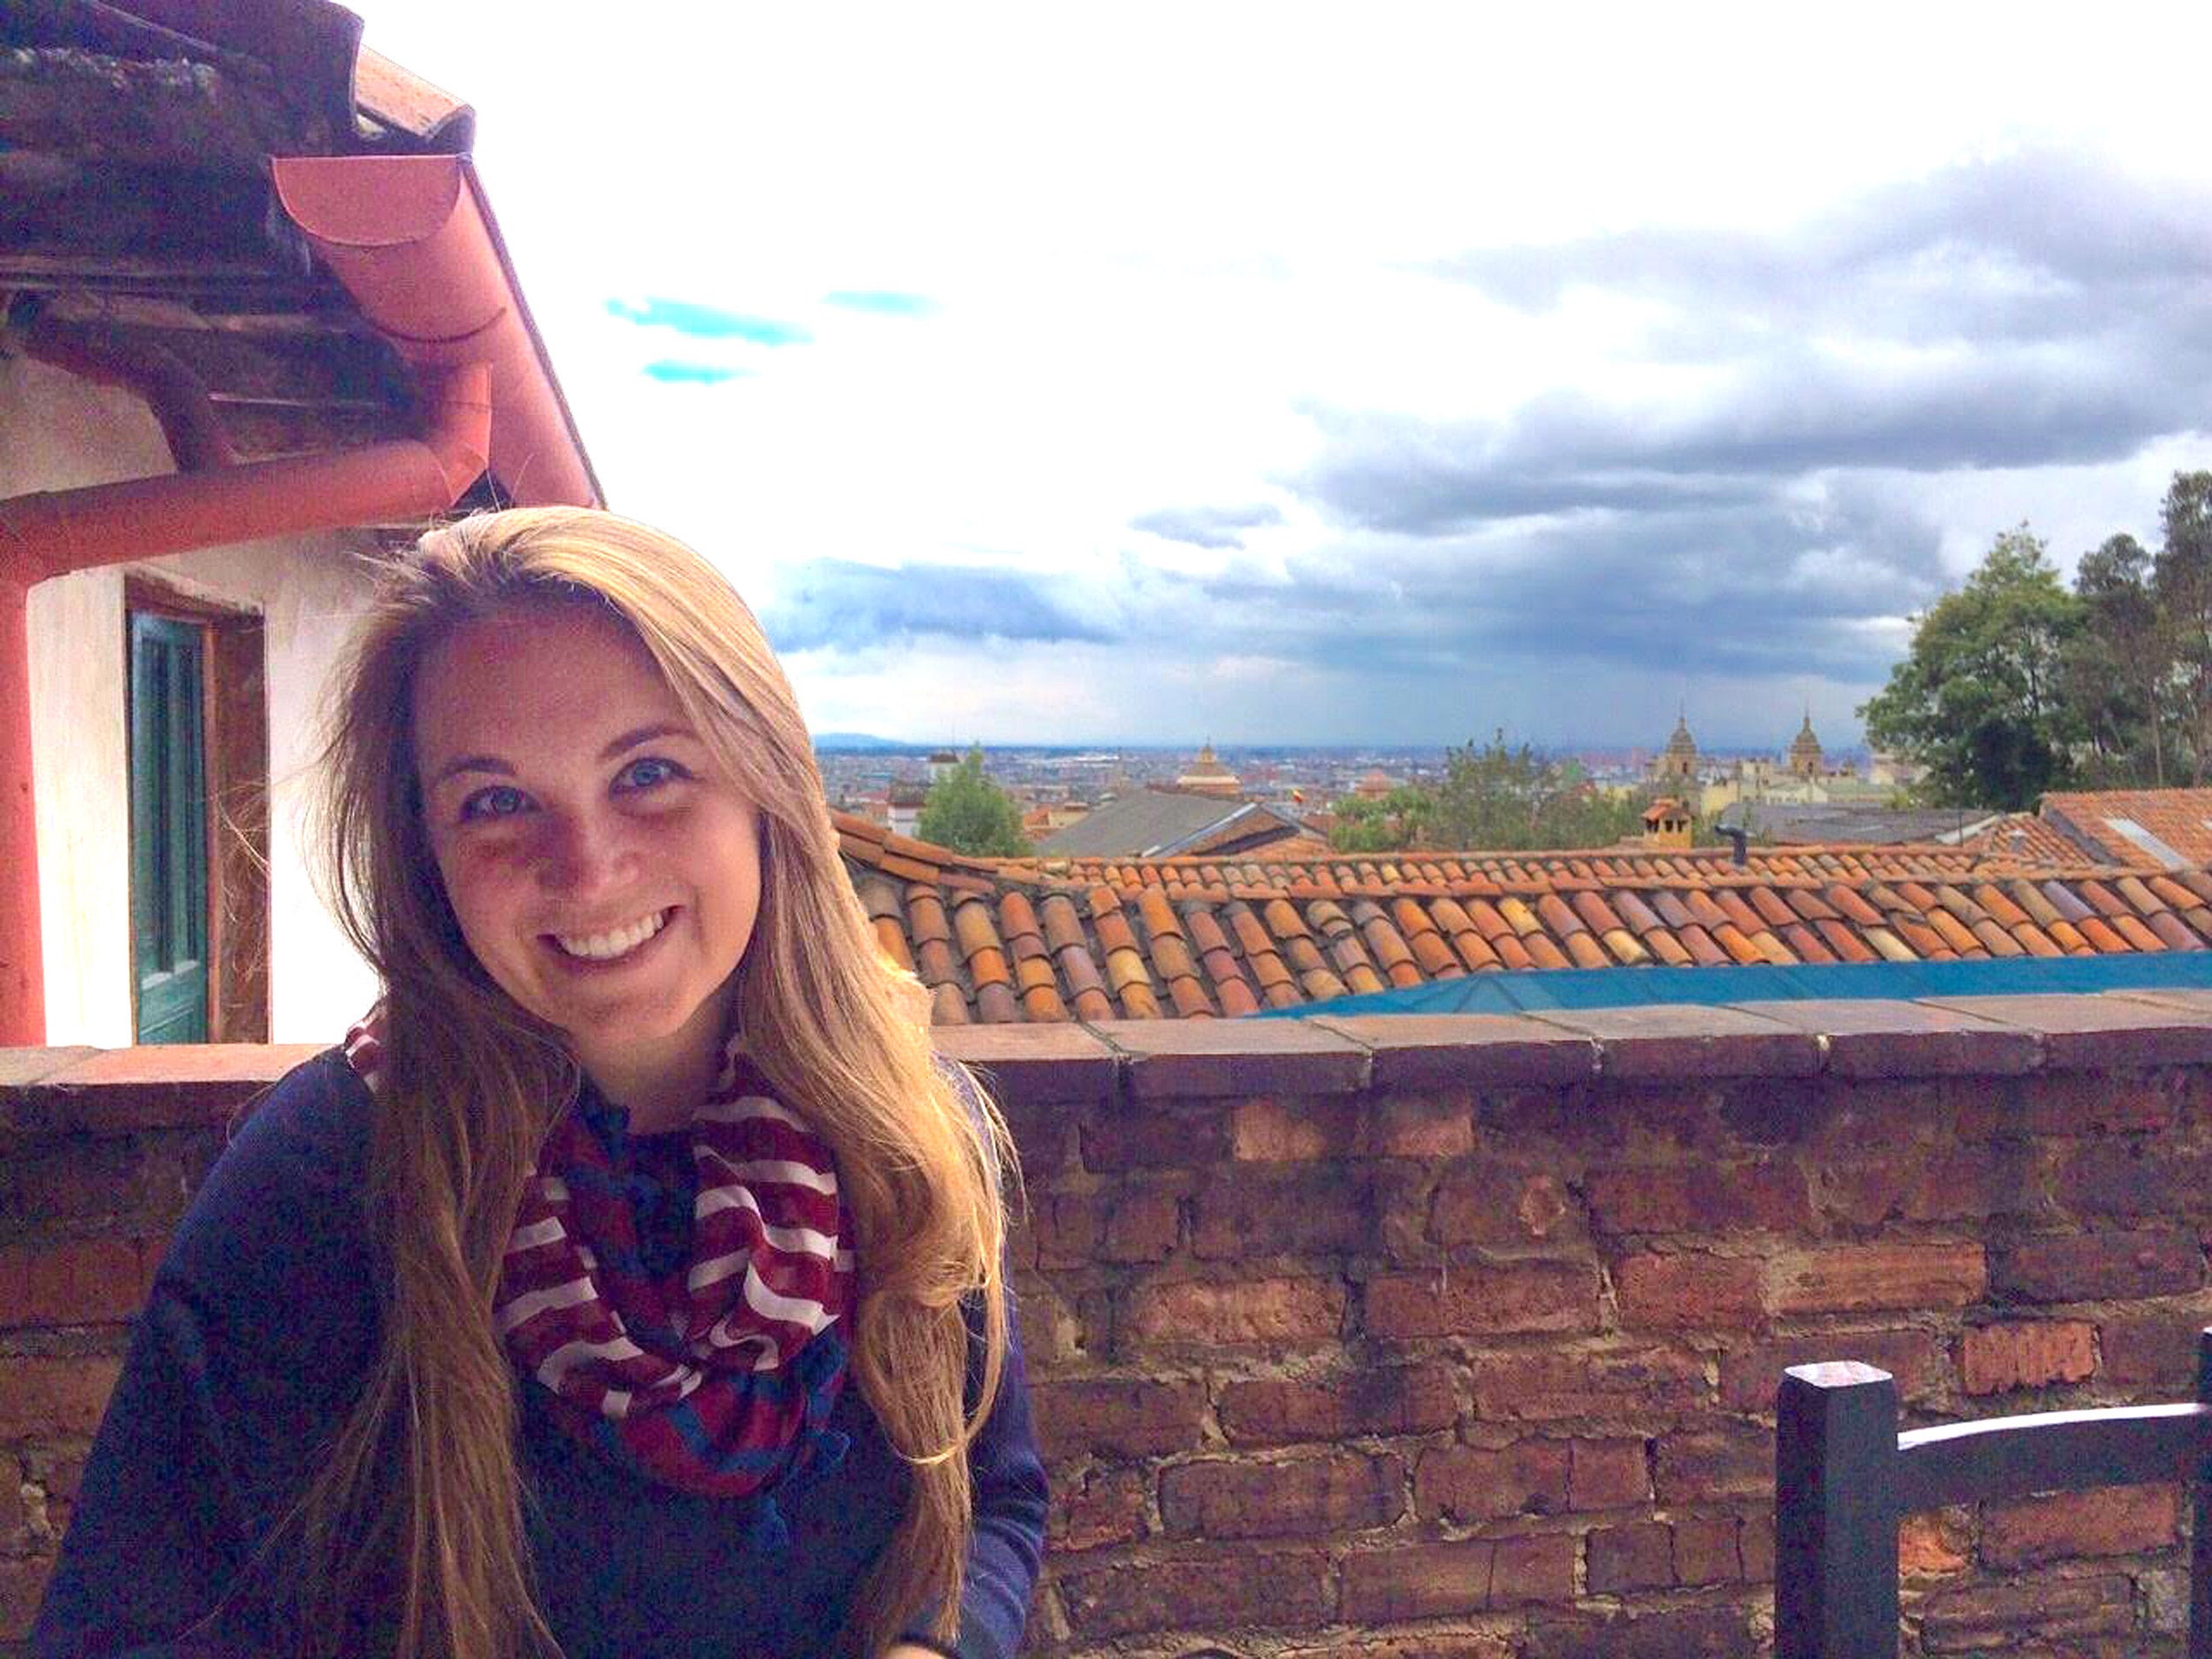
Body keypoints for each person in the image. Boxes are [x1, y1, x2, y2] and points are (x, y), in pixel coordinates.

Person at [31, 508, 1048, 1659]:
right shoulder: (323, 1183)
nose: (587, 866)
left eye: (650, 772)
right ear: (426, 852)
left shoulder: (908, 1132)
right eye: (497, 800)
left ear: (767, 789)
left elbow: (992, 1501)